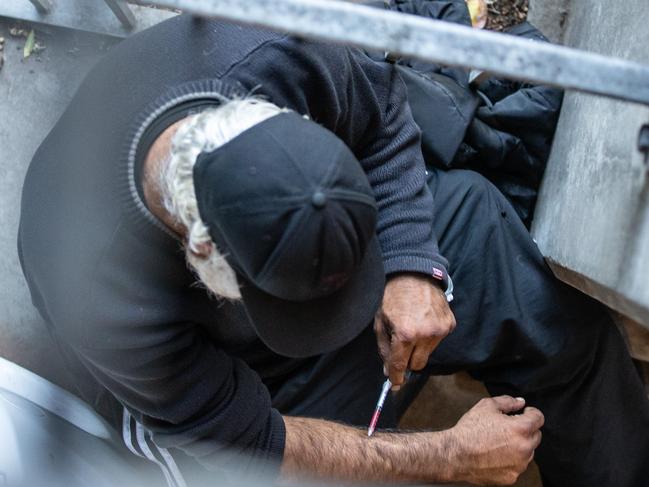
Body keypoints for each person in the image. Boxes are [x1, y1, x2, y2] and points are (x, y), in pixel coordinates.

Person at [17, 10, 649, 487]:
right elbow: (246, 439)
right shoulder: (98, 291)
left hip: (334, 252)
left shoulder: (276, 47)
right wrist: (445, 457)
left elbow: (383, 121)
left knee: (523, 283)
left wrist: (408, 263)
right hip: (240, 382)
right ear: (202, 249)